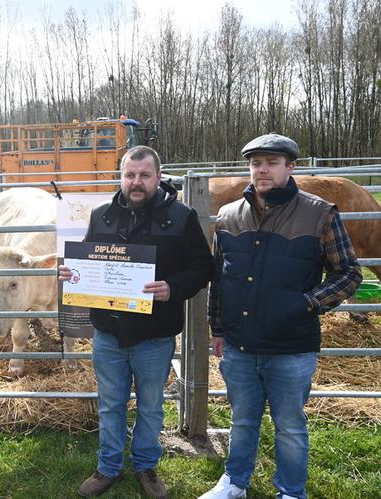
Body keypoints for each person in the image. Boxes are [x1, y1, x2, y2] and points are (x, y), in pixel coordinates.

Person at [200, 133, 362, 499]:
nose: (262, 170)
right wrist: (218, 328)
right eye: (256, 163)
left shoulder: (319, 214)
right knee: (242, 419)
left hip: (291, 346)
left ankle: (290, 490)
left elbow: (349, 274)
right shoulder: (228, 217)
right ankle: (235, 483)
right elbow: (219, 277)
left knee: (289, 425)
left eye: (272, 162)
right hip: (240, 344)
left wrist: (307, 302)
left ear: (291, 167)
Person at [58, 145, 214, 498]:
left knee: (151, 405)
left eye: (144, 175)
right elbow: (88, 261)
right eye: (130, 175)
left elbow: (204, 267)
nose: (136, 182)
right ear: (122, 177)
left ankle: (146, 465)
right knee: (110, 403)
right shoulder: (101, 216)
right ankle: (108, 467)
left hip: (154, 334)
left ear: (159, 177)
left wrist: (173, 287)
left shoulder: (181, 216)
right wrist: (73, 273)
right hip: (109, 332)